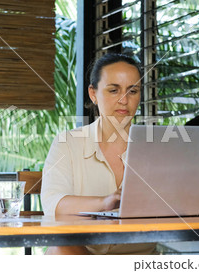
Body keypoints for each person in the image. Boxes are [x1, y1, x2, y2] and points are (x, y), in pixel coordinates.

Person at [41, 53, 157, 255]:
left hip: (141, 258)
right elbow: (52, 204)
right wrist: (105, 202)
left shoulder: (156, 145)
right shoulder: (67, 143)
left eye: (133, 91)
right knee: (60, 249)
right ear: (93, 94)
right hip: (82, 255)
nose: (124, 100)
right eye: (114, 90)